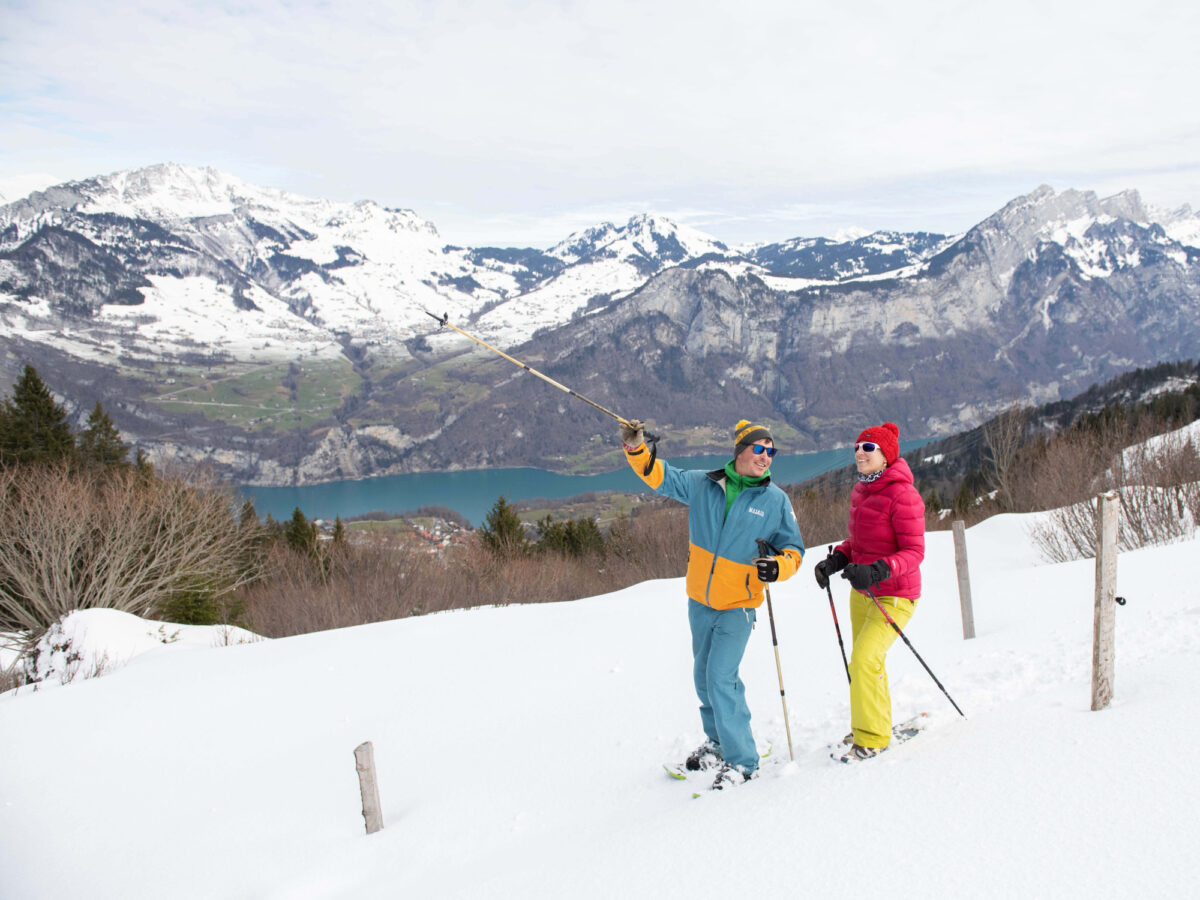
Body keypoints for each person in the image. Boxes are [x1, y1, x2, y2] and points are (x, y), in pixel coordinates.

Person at [620, 417, 805, 790]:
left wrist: (778, 567)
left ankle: (743, 761)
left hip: (739, 604)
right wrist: (636, 448)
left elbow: (794, 550)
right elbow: (659, 476)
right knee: (703, 677)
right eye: (759, 449)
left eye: (771, 452)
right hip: (700, 601)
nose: (766, 457)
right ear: (740, 451)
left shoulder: (775, 501)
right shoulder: (703, 485)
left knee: (721, 676)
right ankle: (718, 743)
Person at [813, 421, 925, 762]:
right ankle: (867, 723)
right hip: (862, 593)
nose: (859, 453)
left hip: (895, 594)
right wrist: (837, 560)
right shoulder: (861, 491)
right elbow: (858, 542)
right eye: (857, 447)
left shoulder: (903, 495)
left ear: (886, 455)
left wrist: (877, 570)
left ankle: (873, 737)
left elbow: (914, 552)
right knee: (865, 661)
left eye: (868, 448)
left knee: (865, 659)